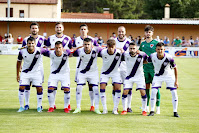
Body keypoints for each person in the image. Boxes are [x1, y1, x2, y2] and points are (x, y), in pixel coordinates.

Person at [148, 42, 179, 117]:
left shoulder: (169, 57)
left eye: (161, 49)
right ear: (156, 49)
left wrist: (176, 81)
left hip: (169, 76)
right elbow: (146, 62)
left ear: (164, 49)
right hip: (158, 76)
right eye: (158, 49)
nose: (160, 51)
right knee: (153, 92)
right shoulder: (152, 56)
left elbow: (175, 68)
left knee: (174, 93)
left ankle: (175, 112)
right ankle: (152, 110)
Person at [45, 22, 72, 110]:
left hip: (64, 66)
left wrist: (66, 51)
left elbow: (72, 49)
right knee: (52, 88)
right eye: (57, 27)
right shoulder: (50, 38)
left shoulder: (68, 38)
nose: (59, 29)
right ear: (55, 28)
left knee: (66, 88)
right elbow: (45, 48)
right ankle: (52, 105)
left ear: (63, 28)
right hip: (54, 65)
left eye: (60, 27)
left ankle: (67, 105)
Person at [73, 24, 99, 112]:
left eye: (85, 29)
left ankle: (93, 105)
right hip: (80, 66)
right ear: (79, 30)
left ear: (87, 30)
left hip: (91, 67)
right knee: (79, 86)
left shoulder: (92, 40)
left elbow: (98, 48)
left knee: (91, 86)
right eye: (82, 29)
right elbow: (73, 50)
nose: (83, 30)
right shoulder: (76, 40)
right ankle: (78, 107)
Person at [43, 41, 72, 113]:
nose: (58, 49)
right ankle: (51, 106)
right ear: (54, 48)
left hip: (64, 74)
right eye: (56, 48)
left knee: (66, 89)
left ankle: (66, 107)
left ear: (62, 48)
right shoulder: (51, 53)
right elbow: (42, 50)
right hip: (54, 74)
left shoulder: (67, 53)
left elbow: (73, 51)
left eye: (60, 48)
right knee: (50, 89)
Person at [22, 22, 46, 111]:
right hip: (28, 66)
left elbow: (47, 49)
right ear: (30, 29)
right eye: (32, 28)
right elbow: (23, 52)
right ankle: (27, 104)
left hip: (39, 67)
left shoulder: (43, 39)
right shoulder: (25, 40)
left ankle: (39, 106)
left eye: (36, 28)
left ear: (38, 29)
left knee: (39, 86)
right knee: (27, 85)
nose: (34, 30)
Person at [16, 37, 43, 112]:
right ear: (26, 44)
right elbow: (18, 62)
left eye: (32, 43)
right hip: (25, 72)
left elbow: (49, 51)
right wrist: (17, 74)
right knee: (21, 87)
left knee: (39, 88)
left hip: (36, 72)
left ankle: (39, 106)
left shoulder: (39, 50)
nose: (31, 45)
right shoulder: (22, 51)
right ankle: (22, 106)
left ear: (35, 44)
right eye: (29, 43)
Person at [121, 42, 148, 116]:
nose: (132, 50)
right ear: (128, 49)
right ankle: (124, 109)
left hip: (140, 76)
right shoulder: (125, 55)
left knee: (142, 92)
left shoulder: (142, 54)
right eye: (131, 48)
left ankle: (144, 110)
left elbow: (148, 60)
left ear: (137, 49)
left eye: (133, 48)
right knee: (125, 91)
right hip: (129, 76)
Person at [139, 25, 161, 113]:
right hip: (144, 69)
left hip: (154, 70)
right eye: (146, 32)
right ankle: (146, 106)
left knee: (156, 88)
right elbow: (140, 55)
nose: (148, 34)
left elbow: (160, 54)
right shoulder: (143, 44)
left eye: (149, 32)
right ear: (144, 33)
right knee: (146, 88)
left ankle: (158, 108)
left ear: (152, 33)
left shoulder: (156, 43)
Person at [99, 39, 123, 115]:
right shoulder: (103, 52)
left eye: (112, 47)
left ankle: (115, 109)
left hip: (115, 72)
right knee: (102, 87)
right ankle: (104, 109)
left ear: (115, 47)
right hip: (105, 73)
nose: (111, 49)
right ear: (107, 47)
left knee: (118, 88)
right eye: (109, 47)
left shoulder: (119, 53)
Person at [114, 26, 132, 112]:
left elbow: (133, 54)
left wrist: (123, 52)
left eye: (122, 32)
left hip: (126, 68)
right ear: (117, 32)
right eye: (119, 31)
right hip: (115, 68)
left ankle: (128, 106)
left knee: (128, 87)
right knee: (116, 88)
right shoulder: (113, 41)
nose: (121, 33)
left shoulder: (129, 42)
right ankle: (115, 107)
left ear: (125, 32)